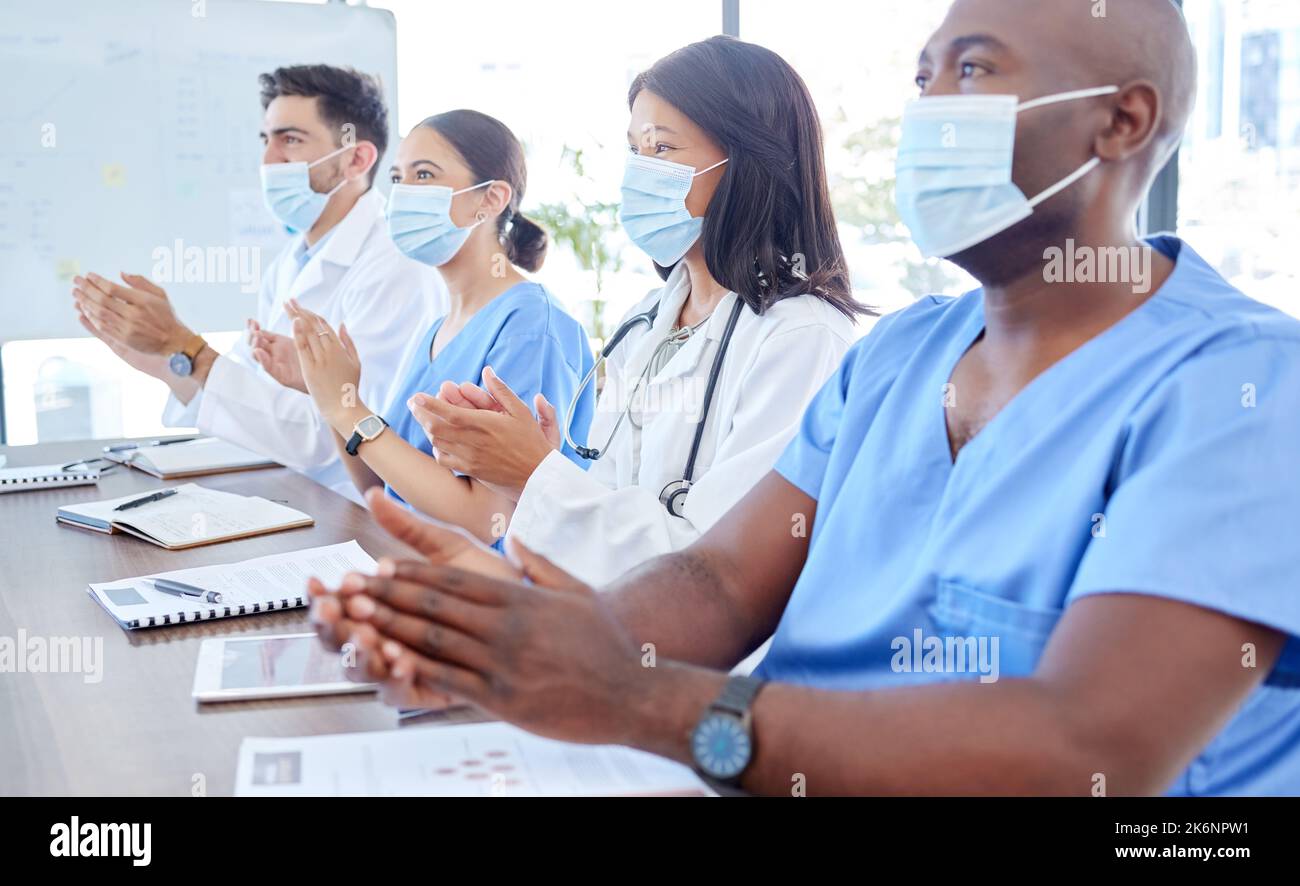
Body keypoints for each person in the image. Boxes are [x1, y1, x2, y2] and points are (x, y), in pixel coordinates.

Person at [310, 0, 1300, 796]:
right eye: (921, 75)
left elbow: (1085, 751)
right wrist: (513, 627)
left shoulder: (1242, 385)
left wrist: (636, 698)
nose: (927, 108)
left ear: (1120, 120)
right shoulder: (906, 352)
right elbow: (720, 584)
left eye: (972, 70)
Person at [403, 37, 862, 587]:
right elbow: (611, 505)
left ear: (747, 163)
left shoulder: (802, 338)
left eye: (662, 149)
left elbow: (720, 570)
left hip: (712, 664)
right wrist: (534, 471)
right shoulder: (647, 321)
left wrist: (535, 473)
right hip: (615, 631)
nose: (640, 172)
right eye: (635, 151)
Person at [70, 65, 445, 502]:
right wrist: (165, 358)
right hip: (294, 495)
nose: (268, 161)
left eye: (290, 140)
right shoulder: (293, 260)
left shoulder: (396, 268)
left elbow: (344, 437)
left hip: (355, 515)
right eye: (265, 140)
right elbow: (247, 384)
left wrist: (184, 347)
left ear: (356, 159)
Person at [286, 109, 594, 545]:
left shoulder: (530, 326)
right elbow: (385, 493)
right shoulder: (437, 328)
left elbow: (491, 521)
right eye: (397, 179)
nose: (404, 194)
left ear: (490, 199)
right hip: (414, 568)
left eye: (425, 175)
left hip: (494, 599)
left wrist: (349, 412)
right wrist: (333, 396)